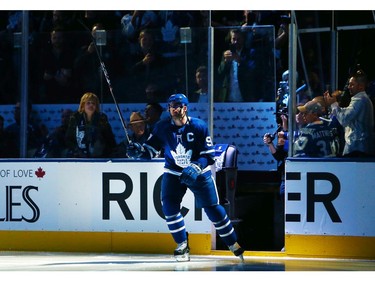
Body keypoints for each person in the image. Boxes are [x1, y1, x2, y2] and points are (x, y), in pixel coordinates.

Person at [127, 93, 244, 262]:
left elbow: (209, 155)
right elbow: (150, 151)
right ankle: (182, 243)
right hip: (173, 172)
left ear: (185, 108)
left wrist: (196, 166)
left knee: (212, 208)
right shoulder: (161, 127)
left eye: (178, 106)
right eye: (172, 107)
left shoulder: (199, 126)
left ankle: (233, 243)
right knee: (168, 206)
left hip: (199, 173)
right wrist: (138, 151)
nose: (174, 109)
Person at [324, 71, 375, 157]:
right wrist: (332, 104)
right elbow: (346, 112)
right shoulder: (361, 99)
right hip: (359, 148)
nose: (348, 87)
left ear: (361, 86)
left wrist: (333, 104)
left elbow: (344, 119)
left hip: (358, 149)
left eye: (352, 84)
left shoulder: (360, 99)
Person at [65, 92, 116, 158]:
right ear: (83, 105)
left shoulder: (102, 118)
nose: (91, 105)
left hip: (99, 155)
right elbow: (68, 139)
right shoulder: (75, 117)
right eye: (88, 103)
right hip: (78, 154)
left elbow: (109, 138)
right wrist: (77, 150)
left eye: (93, 103)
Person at [217, 28, 255, 102]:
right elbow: (220, 73)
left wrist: (240, 60)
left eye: (238, 39)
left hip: (244, 95)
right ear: (230, 40)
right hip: (228, 96)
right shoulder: (226, 54)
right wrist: (225, 62)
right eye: (233, 39)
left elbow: (253, 72)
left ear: (243, 39)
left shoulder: (250, 53)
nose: (236, 42)